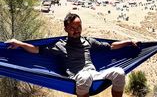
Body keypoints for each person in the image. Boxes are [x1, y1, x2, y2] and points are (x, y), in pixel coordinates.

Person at [7, 13, 138, 97]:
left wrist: (129, 42)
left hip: (94, 74)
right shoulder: (60, 45)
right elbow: (36, 49)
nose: (76, 30)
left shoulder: (89, 41)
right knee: (85, 77)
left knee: (119, 72)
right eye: (72, 28)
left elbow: (110, 46)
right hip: (77, 77)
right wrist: (19, 43)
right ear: (66, 29)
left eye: (79, 27)